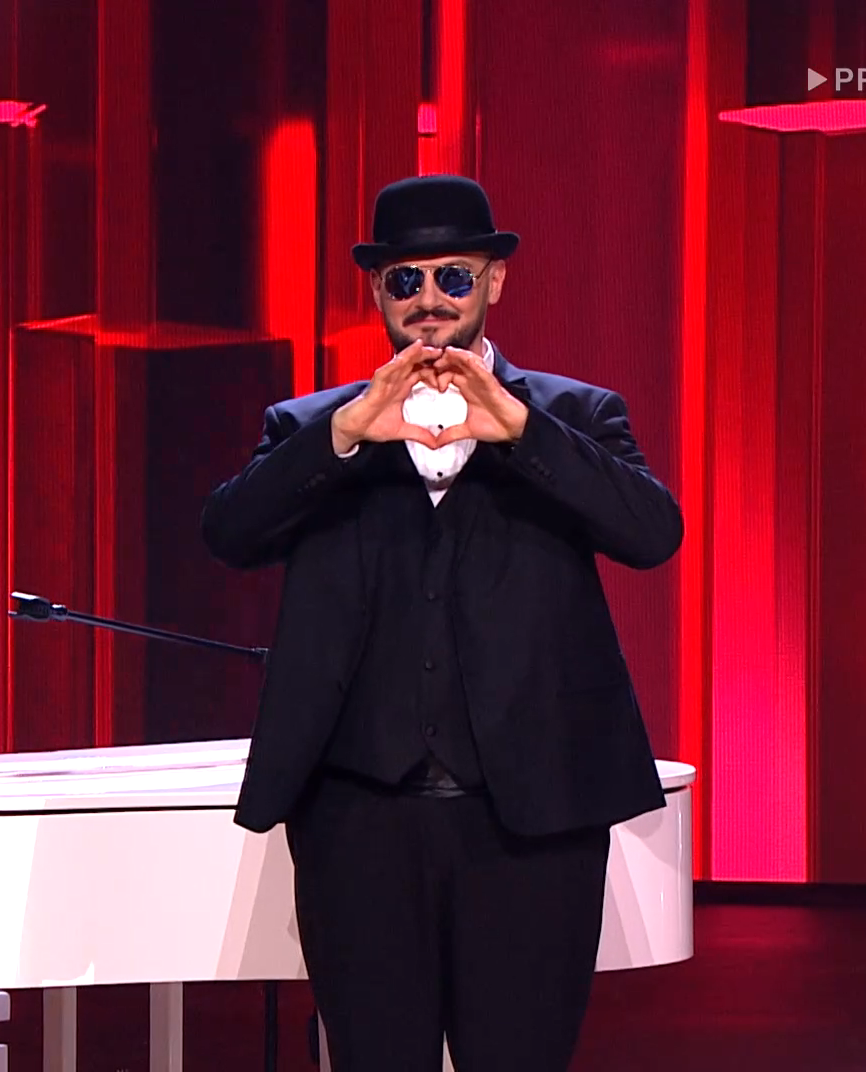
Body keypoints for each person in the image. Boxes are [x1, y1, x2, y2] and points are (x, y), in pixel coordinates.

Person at [201, 175, 682, 1071]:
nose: (429, 299)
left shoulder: (575, 415)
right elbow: (229, 534)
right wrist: (347, 431)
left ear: (494, 280)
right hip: (358, 826)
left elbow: (653, 535)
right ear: (377, 292)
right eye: (406, 280)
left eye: (453, 277)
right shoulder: (312, 426)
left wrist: (521, 430)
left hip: (533, 825)